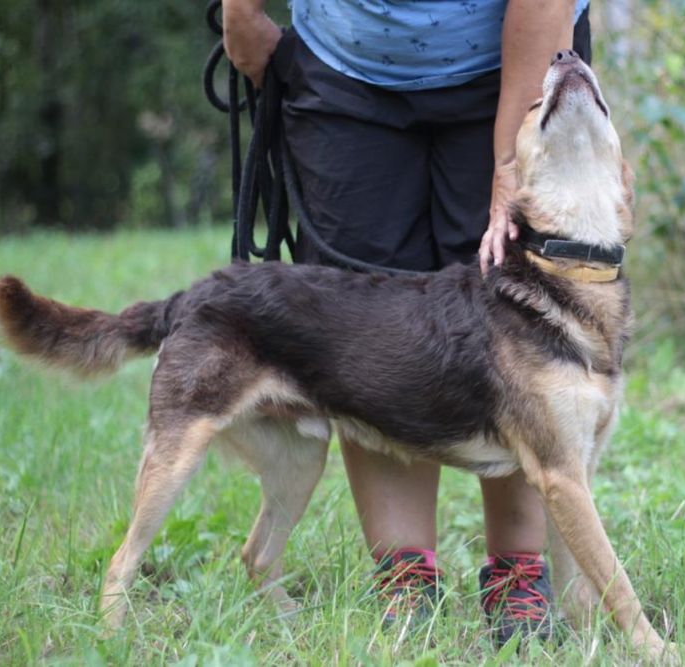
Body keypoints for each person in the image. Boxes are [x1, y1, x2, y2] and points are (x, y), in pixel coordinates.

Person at [222, 0, 591, 646]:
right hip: (345, 63)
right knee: (369, 325)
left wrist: (508, 162)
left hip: (515, 54)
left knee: (516, 315)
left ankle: (517, 576)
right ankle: (405, 578)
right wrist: (241, 12)